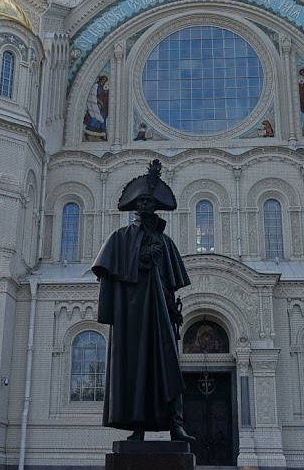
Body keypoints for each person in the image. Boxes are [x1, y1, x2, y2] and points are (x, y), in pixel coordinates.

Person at [92, 159, 194, 442]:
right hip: (133, 316)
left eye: (149, 201)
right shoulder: (120, 238)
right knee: (135, 368)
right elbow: (109, 274)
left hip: (160, 313)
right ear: (135, 206)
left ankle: (176, 425)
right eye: (140, 201)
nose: (145, 205)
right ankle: (137, 429)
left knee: (169, 367)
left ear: (156, 206)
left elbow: (171, 282)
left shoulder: (166, 242)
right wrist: (138, 261)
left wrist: (174, 310)